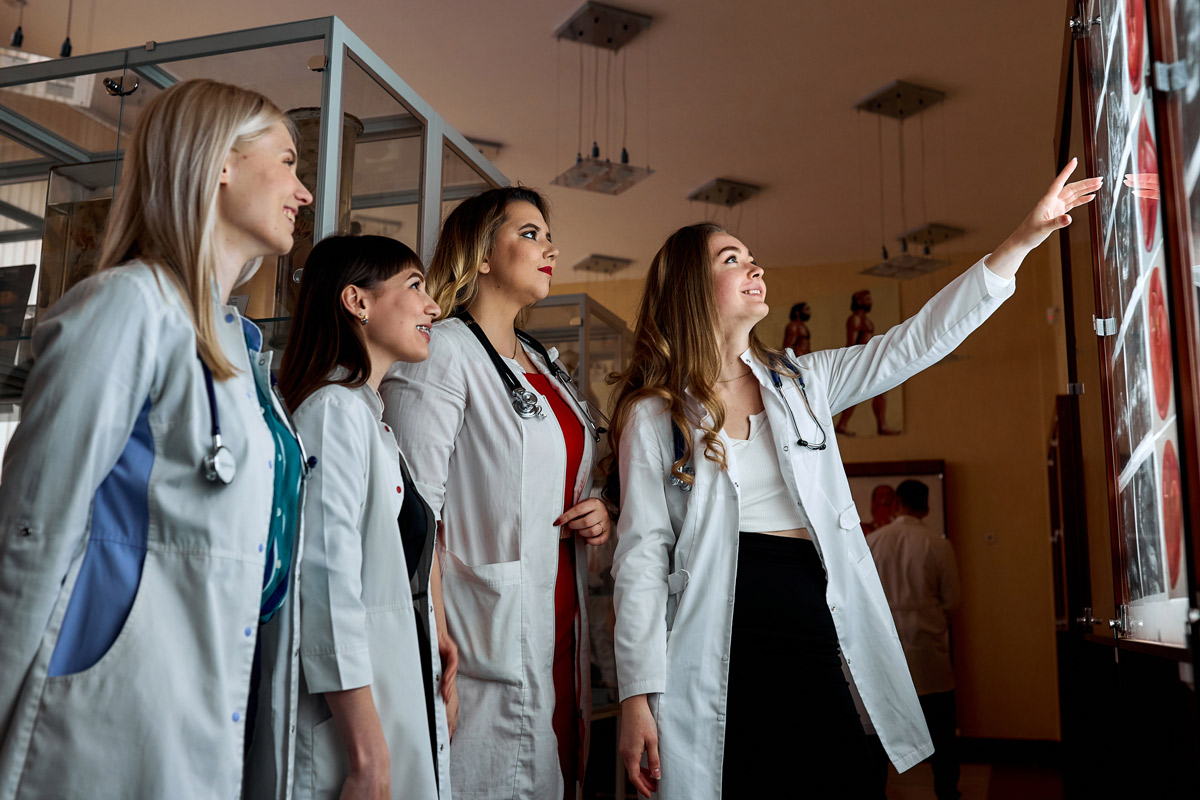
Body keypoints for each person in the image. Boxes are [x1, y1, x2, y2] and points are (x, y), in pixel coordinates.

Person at [608, 160, 1100, 799]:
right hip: (714, 627)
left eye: (753, 256)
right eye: (733, 259)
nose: (756, 267)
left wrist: (1023, 239)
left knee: (835, 774)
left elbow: (916, 342)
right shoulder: (654, 414)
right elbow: (641, 558)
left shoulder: (805, 382)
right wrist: (635, 698)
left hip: (808, 611)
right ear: (692, 289)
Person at [0, 79, 313, 799]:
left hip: (195, 710)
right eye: (289, 162)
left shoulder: (230, 345)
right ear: (221, 163)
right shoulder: (126, 306)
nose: (302, 192)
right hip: (102, 713)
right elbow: (31, 527)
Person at [380, 186, 613, 800]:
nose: (550, 247)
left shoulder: (542, 361)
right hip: (480, 633)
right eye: (530, 234)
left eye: (547, 235)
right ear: (481, 255)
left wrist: (600, 510)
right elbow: (411, 511)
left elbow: (563, 475)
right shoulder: (442, 353)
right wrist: (429, 639)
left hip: (560, 613)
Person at [274, 235, 454, 799]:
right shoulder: (332, 412)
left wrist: (435, 632)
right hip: (350, 735)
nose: (434, 307)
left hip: (392, 694)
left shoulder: (368, 418)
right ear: (357, 301)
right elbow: (325, 585)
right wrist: (367, 755)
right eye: (415, 286)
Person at [868, 479, 961, 800]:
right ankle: (947, 793)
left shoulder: (874, 542)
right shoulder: (937, 543)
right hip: (927, 655)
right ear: (926, 507)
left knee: (876, 737)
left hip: (883, 657)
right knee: (943, 736)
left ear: (896, 505)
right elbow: (953, 602)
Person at [835, 289, 901, 436]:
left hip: (868, 360)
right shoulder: (855, 319)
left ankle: (881, 426)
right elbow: (851, 343)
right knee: (855, 393)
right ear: (859, 300)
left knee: (880, 391)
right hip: (860, 362)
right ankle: (842, 424)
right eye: (867, 299)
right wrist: (850, 365)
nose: (870, 301)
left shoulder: (864, 319)